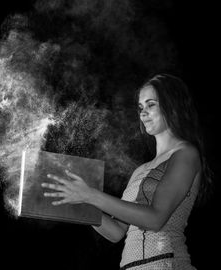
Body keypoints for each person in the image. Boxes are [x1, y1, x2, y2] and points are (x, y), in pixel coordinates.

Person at [41, 74, 213, 269]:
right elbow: (116, 232)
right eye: (140, 108)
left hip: (167, 263)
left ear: (172, 105)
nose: (143, 113)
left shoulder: (186, 154)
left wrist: (91, 195)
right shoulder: (140, 170)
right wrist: (79, 202)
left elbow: (155, 219)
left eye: (151, 105)